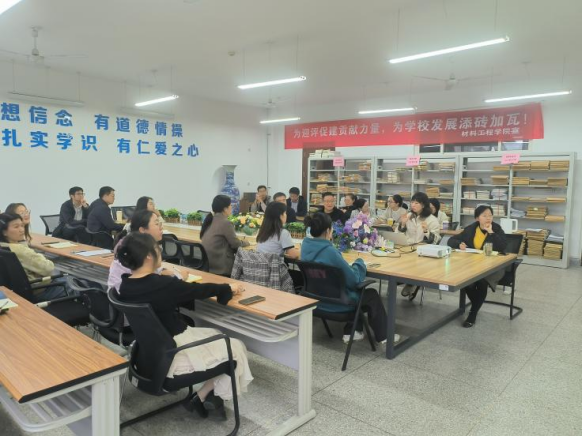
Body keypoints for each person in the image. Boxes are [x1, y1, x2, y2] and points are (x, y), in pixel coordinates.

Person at [117, 233, 253, 418]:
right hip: (173, 356)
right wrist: (228, 287)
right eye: (158, 248)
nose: (161, 251)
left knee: (217, 336)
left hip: (148, 356)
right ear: (148, 256)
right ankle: (204, 396)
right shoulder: (162, 284)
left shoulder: (125, 285)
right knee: (235, 348)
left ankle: (205, 397)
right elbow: (197, 290)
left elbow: (184, 291)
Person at [301, 213, 398, 345]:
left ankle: (353, 331)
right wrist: (359, 263)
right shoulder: (330, 251)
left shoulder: (305, 246)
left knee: (352, 291)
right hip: (338, 304)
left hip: (315, 300)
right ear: (328, 230)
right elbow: (353, 281)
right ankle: (384, 336)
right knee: (370, 295)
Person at [448, 205, 508, 328]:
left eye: (490, 215)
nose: (488, 218)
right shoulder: (471, 229)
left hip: (493, 266)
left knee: (481, 282)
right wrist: (459, 244)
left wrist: (491, 232)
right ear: (477, 218)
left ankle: (473, 313)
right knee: (465, 281)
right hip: (472, 265)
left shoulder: (496, 229)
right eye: (484, 216)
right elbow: (451, 240)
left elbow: (502, 246)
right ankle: (477, 303)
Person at [108, 210, 187, 292]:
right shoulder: (131, 249)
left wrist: (162, 271)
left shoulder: (135, 243)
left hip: (123, 295)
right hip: (131, 295)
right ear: (142, 230)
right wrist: (180, 277)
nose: (161, 227)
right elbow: (148, 283)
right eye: (156, 224)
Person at [0, 213, 70, 302]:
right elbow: (48, 268)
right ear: (4, 232)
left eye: (22, 226)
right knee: (78, 286)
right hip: (41, 290)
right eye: (16, 227)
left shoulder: (3, 247)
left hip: (19, 291)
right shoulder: (20, 250)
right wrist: (39, 255)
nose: (21, 229)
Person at [398, 192, 441, 297]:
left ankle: (412, 282)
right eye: (412, 202)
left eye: (416, 203)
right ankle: (405, 280)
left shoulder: (432, 220)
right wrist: (403, 224)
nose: (413, 205)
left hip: (422, 252)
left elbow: (436, 240)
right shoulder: (408, 216)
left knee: (413, 262)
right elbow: (399, 234)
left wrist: (426, 231)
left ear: (424, 205)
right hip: (407, 248)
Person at [201, 195, 249, 277]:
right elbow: (236, 244)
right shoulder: (226, 223)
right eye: (230, 205)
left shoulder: (210, 219)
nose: (231, 207)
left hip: (208, 265)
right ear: (225, 208)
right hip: (221, 267)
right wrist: (246, 243)